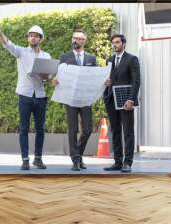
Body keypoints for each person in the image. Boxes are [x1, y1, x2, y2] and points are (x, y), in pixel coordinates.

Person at [0, 22, 50, 170]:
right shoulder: (21, 52)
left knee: (40, 129)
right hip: (25, 95)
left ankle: (38, 159)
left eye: (36, 36)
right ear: (28, 38)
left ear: (40, 39)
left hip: (41, 96)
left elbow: (48, 77)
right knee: (24, 128)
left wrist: (45, 76)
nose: (33, 38)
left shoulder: (46, 55)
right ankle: (25, 159)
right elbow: (6, 43)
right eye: (31, 36)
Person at [52, 30, 97, 171]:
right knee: (73, 129)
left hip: (85, 98)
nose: (77, 40)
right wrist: (54, 80)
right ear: (72, 40)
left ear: (85, 41)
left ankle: (78, 153)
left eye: (81, 38)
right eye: (75, 38)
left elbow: (94, 76)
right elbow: (58, 74)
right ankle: (75, 160)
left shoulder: (91, 58)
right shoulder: (64, 57)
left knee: (88, 129)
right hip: (70, 98)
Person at [103, 34, 140, 173]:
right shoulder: (109, 60)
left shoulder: (132, 59)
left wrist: (131, 99)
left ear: (123, 44)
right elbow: (108, 79)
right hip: (111, 100)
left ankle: (127, 163)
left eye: (117, 42)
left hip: (125, 100)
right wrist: (106, 82)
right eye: (113, 43)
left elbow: (136, 80)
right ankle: (117, 162)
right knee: (115, 131)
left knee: (128, 132)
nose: (114, 45)